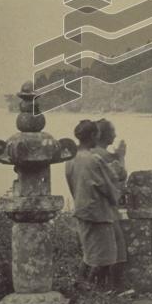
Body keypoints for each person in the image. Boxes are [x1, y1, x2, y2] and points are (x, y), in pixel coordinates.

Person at [65, 119, 126, 291]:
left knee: (90, 253)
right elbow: (109, 185)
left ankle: (84, 286)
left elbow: (72, 183)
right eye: (96, 134)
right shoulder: (94, 160)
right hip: (98, 212)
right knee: (104, 256)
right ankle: (91, 289)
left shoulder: (71, 159)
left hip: (82, 209)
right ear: (93, 135)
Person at [94, 118, 128, 290]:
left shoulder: (93, 153)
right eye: (112, 131)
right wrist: (121, 156)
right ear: (105, 135)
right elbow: (121, 176)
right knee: (118, 248)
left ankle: (100, 288)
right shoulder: (104, 156)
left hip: (93, 208)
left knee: (97, 250)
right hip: (106, 209)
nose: (115, 135)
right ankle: (117, 287)